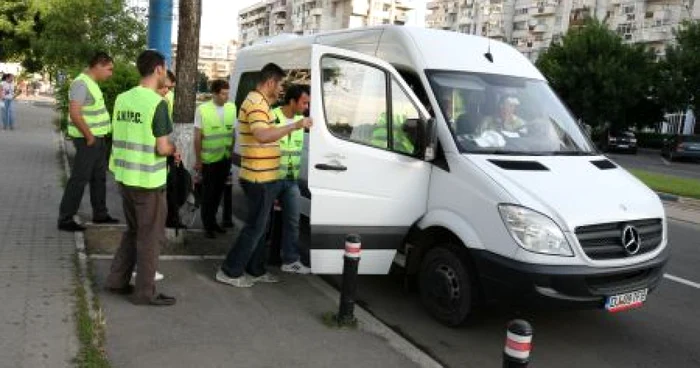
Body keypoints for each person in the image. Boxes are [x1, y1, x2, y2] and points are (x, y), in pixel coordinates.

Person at [216, 63, 312, 288]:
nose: (281, 90)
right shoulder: (257, 104)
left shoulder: (260, 103)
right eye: (279, 84)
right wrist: (295, 125)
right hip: (258, 177)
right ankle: (230, 271)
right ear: (270, 82)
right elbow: (262, 135)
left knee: (260, 227)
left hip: (265, 176)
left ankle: (255, 270)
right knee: (255, 228)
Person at [105, 49, 179, 306]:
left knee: (133, 230)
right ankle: (145, 293)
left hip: (124, 177)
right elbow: (162, 148)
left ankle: (117, 281)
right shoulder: (157, 104)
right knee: (149, 237)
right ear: (159, 69)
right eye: (165, 69)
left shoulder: (122, 99)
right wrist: (174, 149)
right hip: (148, 183)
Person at [58, 53, 118, 232]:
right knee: (79, 178)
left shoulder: (91, 84)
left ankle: (100, 214)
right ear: (98, 65)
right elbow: (75, 114)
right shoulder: (81, 84)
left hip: (97, 139)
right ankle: (66, 218)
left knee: (99, 177)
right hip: (88, 140)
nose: (111, 73)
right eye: (109, 69)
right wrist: (90, 137)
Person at [271, 84, 311, 274]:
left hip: (291, 180)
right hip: (271, 178)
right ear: (292, 101)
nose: (306, 107)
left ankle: (290, 260)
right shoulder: (272, 116)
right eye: (304, 102)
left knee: (293, 221)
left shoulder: (302, 120)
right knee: (260, 222)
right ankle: (253, 259)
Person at [194, 79, 236, 239]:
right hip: (209, 160)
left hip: (224, 158)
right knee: (208, 195)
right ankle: (208, 225)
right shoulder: (203, 110)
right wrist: (198, 160)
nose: (226, 97)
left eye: (227, 93)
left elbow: (232, 133)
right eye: (223, 94)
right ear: (215, 94)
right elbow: (197, 137)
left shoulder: (231, 107)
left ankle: (214, 222)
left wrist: (231, 152)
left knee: (218, 194)